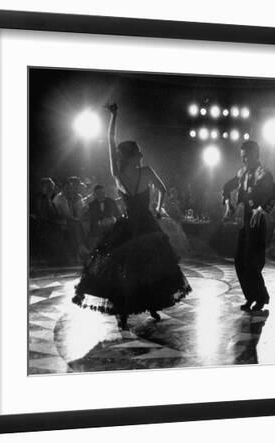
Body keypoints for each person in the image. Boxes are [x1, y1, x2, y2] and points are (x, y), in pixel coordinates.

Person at [73, 103, 191, 330]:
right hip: (146, 224)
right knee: (150, 266)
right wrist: (156, 209)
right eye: (139, 153)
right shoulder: (146, 172)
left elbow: (110, 141)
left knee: (127, 269)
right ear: (135, 156)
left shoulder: (118, 174)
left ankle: (127, 311)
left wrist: (113, 117)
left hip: (128, 225)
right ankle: (150, 305)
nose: (141, 155)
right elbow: (163, 190)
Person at [222, 140, 275, 312]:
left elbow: (274, 195)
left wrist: (260, 209)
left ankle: (261, 298)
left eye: (247, 156)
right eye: (242, 157)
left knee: (252, 262)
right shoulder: (241, 173)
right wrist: (228, 204)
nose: (244, 160)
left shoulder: (264, 174)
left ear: (256, 154)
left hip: (257, 221)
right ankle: (250, 296)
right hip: (244, 221)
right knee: (239, 260)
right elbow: (226, 187)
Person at [53, 176, 90, 261]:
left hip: (70, 219)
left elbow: (80, 209)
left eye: (69, 188)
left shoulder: (74, 196)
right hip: (63, 221)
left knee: (85, 223)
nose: (69, 190)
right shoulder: (61, 198)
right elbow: (67, 214)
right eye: (67, 188)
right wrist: (77, 218)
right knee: (78, 224)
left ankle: (82, 248)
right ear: (62, 189)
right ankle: (81, 248)